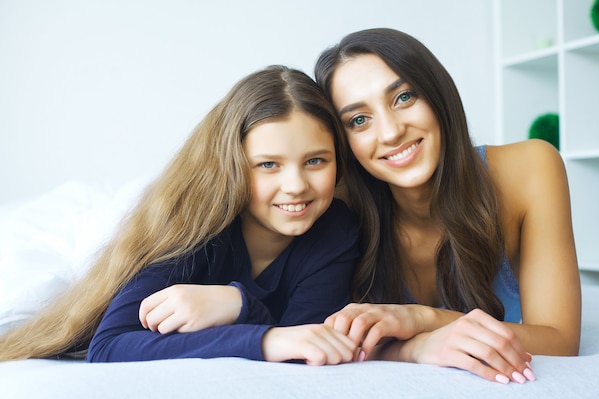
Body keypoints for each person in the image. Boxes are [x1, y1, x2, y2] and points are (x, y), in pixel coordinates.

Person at [0, 65, 359, 366]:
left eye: (315, 161)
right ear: (232, 168)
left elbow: (306, 341)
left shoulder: (335, 230)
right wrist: (261, 332)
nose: (296, 185)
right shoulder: (194, 226)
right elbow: (109, 345)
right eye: (268, 165)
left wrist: (237, 306)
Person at [314, 28, 581, 384]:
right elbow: (324, 336)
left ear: (437, 93)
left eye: (404, 97)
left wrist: (421, 319)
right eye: (359, 120)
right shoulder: (336, 203)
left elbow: (561, 341)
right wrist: (416, 348)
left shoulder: (531, 168)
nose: (391, 132)